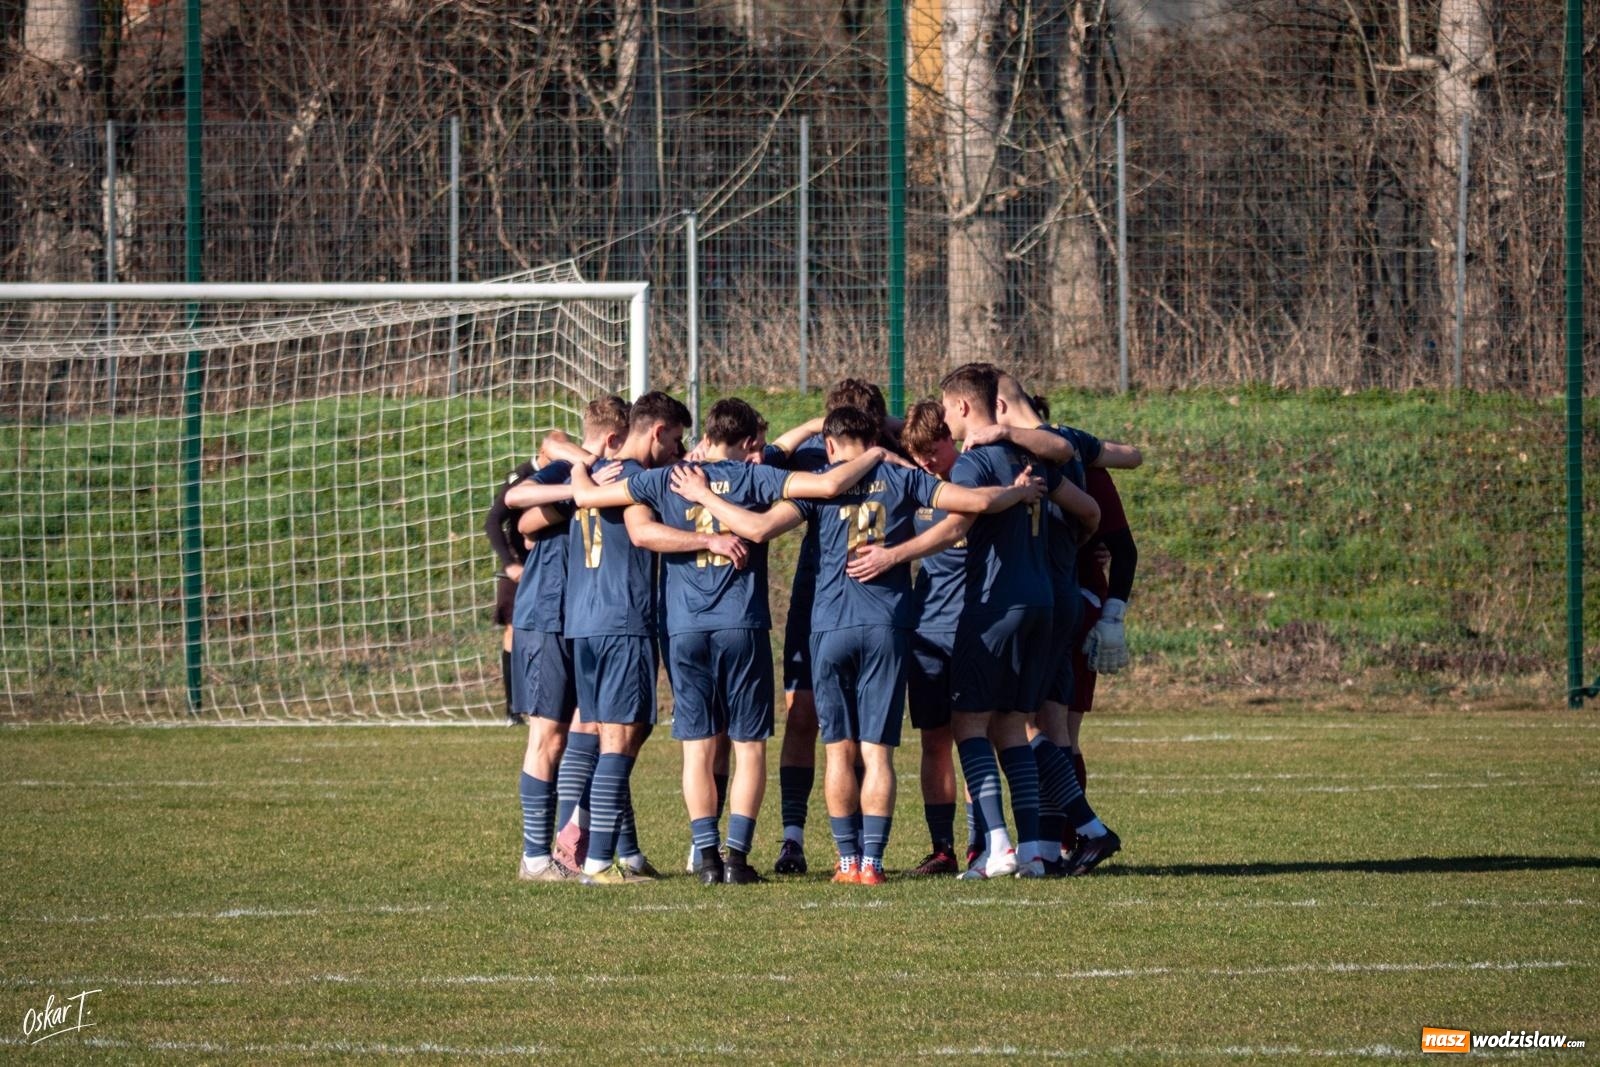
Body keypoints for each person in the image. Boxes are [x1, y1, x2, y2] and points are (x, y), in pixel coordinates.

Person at [674, 406, 1044, 884]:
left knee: (837, 750)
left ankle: (846, 861)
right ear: (874, 441)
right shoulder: (901, 477)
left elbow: (757, 529)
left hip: (828, 627)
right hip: (887, 626)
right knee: (877, 753)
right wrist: (1015, 492)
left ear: (829, 446)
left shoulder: (820, 484)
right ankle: (872, 862)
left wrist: (705, 496)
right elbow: (971, 503)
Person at [575, 399, 900, 884]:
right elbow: (830, 484)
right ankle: (736, 858)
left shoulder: (667, 477)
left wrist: (581, 465)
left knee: (698, 748)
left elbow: (591, 502)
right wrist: (875, 453)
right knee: (748, 746)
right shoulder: (757, 477)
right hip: (740, 625)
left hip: (683, 628)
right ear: (751, 444)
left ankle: (704, 857)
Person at [528, 392, 697, 885]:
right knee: (621, 740)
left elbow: (552, 460)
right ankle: (598, 862)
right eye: (677, 439)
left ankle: (600, 847)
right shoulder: (639, 480)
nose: (678, 450)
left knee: (608, 735)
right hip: (623, 621)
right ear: (658, 430)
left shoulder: (593, 472)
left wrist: (578, 466)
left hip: (583, 624)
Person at [758, 378, 899, 875]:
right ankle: (793, 839)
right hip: (818, 602)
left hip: (865, 607)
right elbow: (764, 461)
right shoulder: (817, 459)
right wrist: (818, 426)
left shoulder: (892, 458)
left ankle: (859, 850)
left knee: (862, 735)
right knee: (805, 717)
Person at [501, 396, 630, 882]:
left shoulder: (604, 473)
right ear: (614, 439)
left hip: (584, 615)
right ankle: (535, 858)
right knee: (547, 733)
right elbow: (516, 505)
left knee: (595, 728)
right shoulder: (570, 471)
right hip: (546, 615)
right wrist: (582, 482)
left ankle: (577, 843)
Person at [485, 456, 536, 723]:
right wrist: (509, 564)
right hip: (519, 566)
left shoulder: (568, 472)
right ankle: (513, 709)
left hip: (549, 562)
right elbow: (492, 521)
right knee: (514, 629)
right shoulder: (520, 477)